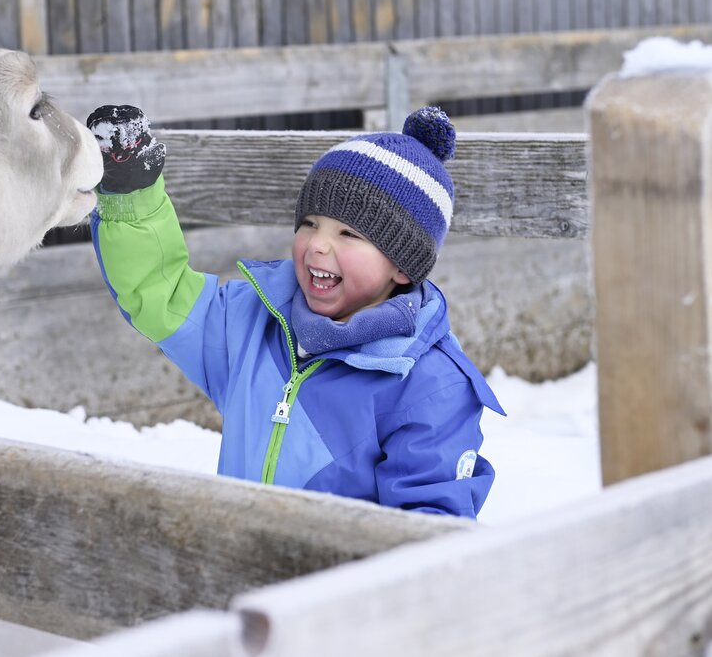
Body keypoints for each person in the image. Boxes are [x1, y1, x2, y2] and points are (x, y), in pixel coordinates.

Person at [86, 104, 504, 518]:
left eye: (348, 233)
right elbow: (162, 292)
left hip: (331, 584)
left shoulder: (428, 388)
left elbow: (426, 541)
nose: (317, 245)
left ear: (401, 264)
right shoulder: (250, 324)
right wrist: (130, 193)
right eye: (309, 223)